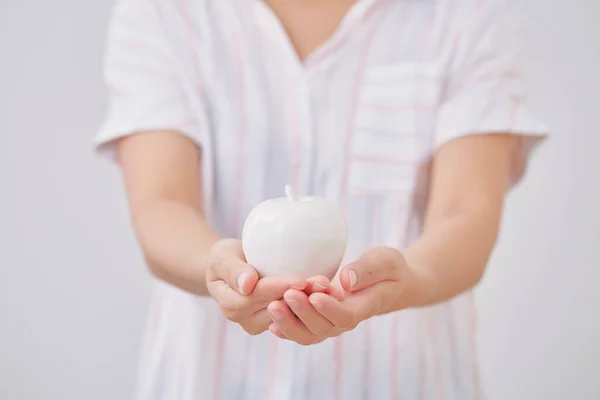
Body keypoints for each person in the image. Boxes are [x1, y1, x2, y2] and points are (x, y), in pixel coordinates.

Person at [95, 0, 547, 398]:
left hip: (405, 381)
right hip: (209, 380)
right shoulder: (165, 13)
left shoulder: (467, 15)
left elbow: (467, 212)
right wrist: (217, 268)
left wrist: (408, 279)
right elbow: (162, 204)